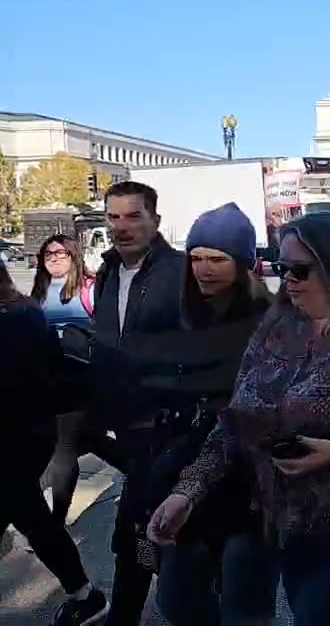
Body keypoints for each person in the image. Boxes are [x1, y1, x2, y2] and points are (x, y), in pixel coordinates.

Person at [149, 212, 330, 626]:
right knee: (325, 615)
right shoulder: (276, 329)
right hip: (295, 510)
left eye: (301, 270)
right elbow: (235, 422)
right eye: (281, 267)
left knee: (322, 617)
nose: (287, 279)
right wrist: (188, 491)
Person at [144, 203, 279, 626]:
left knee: (245, 607)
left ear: (242, 263)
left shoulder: (273, 322)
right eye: (196, 258)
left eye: (217, 259)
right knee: (177, 599)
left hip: (249, 487)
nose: (204, 269)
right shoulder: (181, 316)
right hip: (184, 478)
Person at [90, 180, 189, 626]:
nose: (122, 227)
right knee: (143, 522)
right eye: (114, 217)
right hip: (129, 429)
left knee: (144, 527)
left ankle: (131, 611)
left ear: (155, 221)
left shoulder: (181, 272)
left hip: (172, 429)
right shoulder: (110, 271)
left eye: (134, 216)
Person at [0, 258, 109, 624]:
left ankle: (86, 595)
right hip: (24, 432)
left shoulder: (16, 318)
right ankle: (84, 594)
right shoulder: (21, 311)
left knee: (30, 514)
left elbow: (20, 382)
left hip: (21, 435)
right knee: (28, 514)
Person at [31, 234, 98, 525]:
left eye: (62, 253)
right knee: (78, 443)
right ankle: (137, 469)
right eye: (48, 254)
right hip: (43, 379)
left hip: (78, 377)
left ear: (74, 256)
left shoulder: (90, 289)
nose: (55, 258)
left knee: (64, 447)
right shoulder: (39, 291)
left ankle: (54, 522)